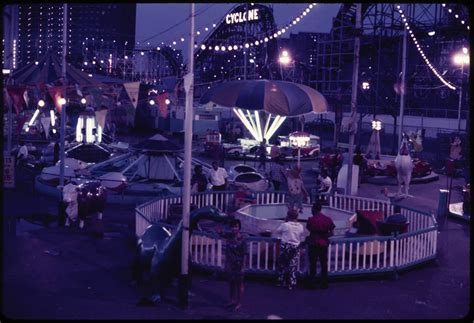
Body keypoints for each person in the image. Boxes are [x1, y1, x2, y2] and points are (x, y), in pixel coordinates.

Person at [217, 218, 248, 311]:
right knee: (231, 283)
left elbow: (244, 254)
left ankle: (239, 303)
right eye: (233, 227)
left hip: (238, 264)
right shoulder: (229, 236)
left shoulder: (242, 239)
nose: (234, 228)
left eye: (236, 227)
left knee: (239, 284)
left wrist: (243, 266)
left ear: (239, 228)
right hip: (230, 263)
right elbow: (221, 233)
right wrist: (219, 229)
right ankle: (232, 300)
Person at [306, 201, 335, 289]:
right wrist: (325, 236)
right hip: (323, 243)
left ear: (314, 209)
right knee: (323, 264)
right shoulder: (328, 219)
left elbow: (309, 229)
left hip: (313, 243)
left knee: (313, 264)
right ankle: (324, 283)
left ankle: (312, 283)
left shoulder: (311, 219)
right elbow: (332, 232)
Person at [274, 209, 306, 290]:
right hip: (295, 246)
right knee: (292, 265)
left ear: (288, 216)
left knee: (282, 264)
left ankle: (281, 281)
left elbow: (277, 232)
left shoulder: (285, 225)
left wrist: (285, 221)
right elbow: (302, 235)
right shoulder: (300, 226)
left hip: (286, 246)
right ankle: (291, 283)